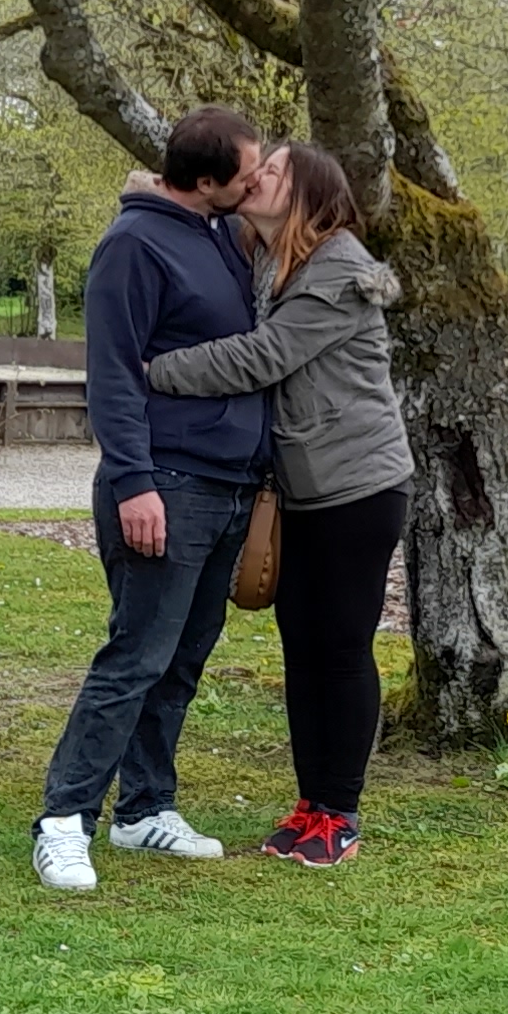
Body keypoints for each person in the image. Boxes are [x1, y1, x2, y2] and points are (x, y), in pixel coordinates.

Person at [141, 141, 411, 866]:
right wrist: (154, 186)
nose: (258, 177)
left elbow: (260, 358)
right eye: (259, 168)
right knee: (301, 646)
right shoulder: (266, 255)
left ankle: (339, 814)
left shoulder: (339, 268)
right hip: (301, 488)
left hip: (357, 486)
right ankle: (309, 804)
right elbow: (193, 200)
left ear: (309, 194)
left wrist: (152, 370)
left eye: (276, 171)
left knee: (340, 646)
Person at [31, 105, 271, 893]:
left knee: (182, 659)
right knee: (134, 657)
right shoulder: (133, 245)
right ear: (204, 180)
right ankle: (63, 821)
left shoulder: (220, 233)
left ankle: (144, 809)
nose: (257, 183)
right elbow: (112, 371)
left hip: (229, 486)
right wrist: (134, 480)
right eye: (248, 173)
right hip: (166, 483)